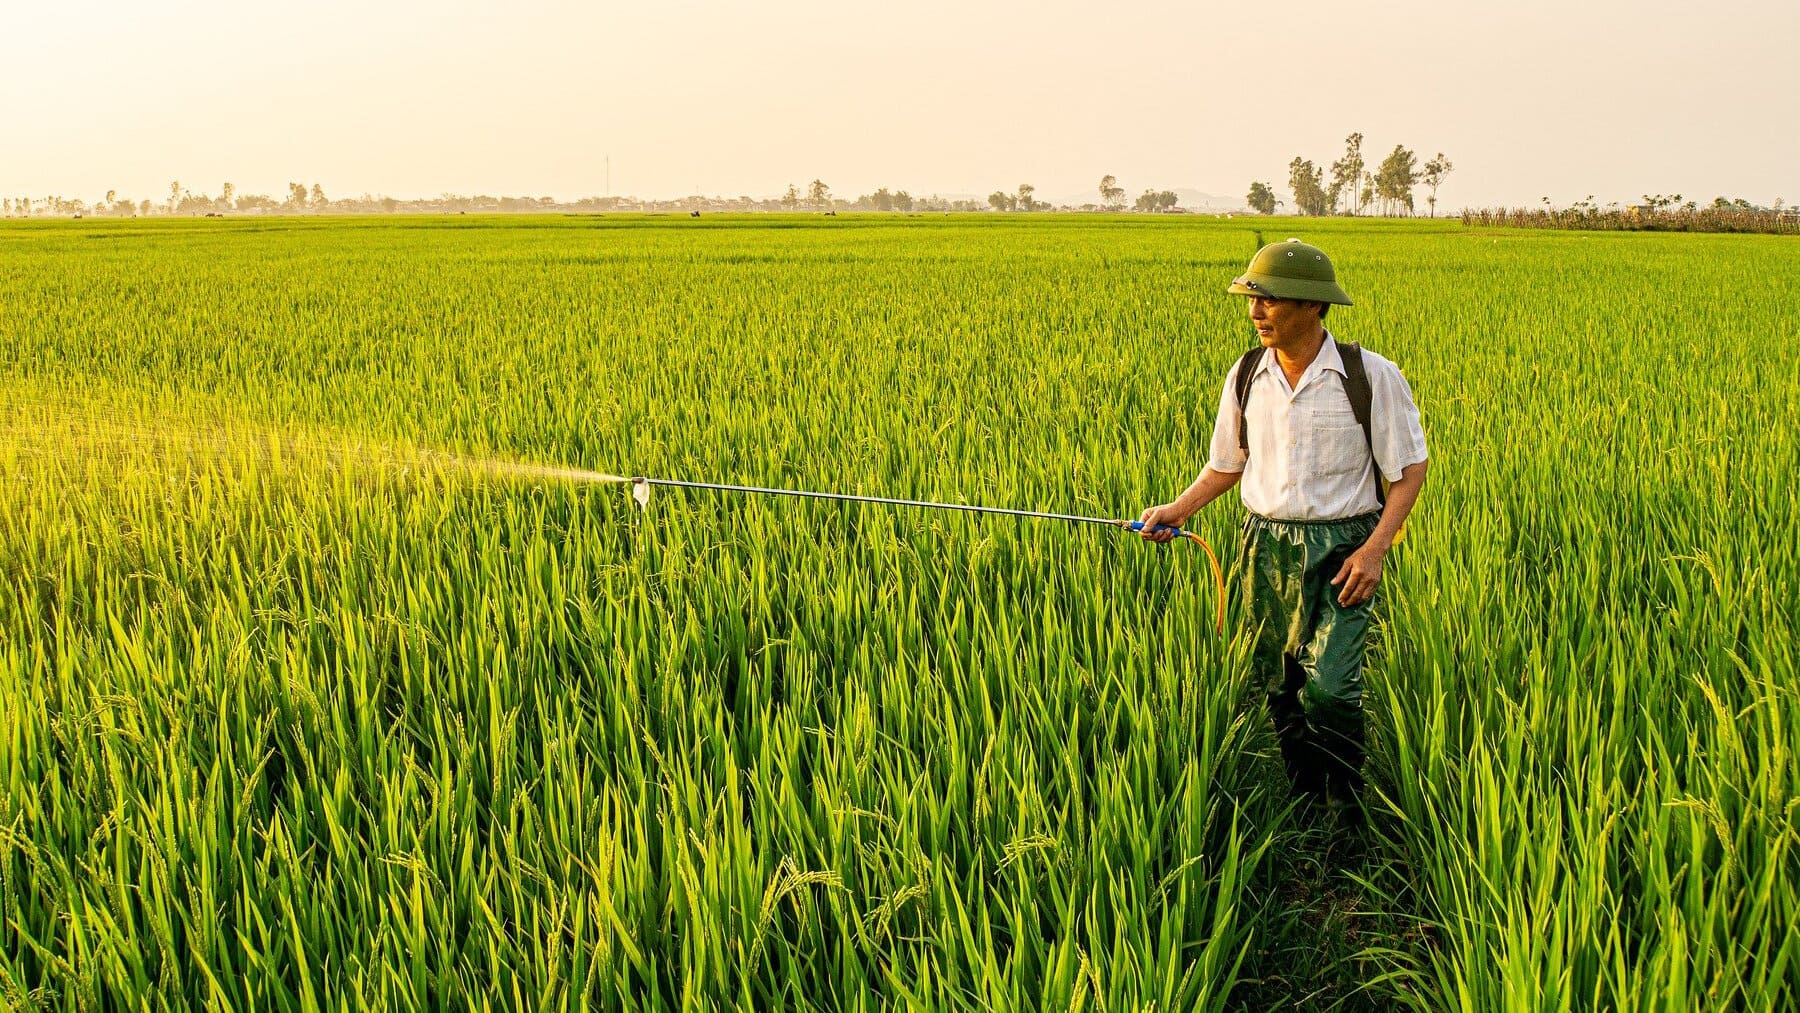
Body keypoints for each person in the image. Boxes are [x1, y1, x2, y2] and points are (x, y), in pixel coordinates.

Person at [1137, 239, 1428, 816]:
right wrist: (1181, 508)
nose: (1256, 312)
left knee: (1332, 691)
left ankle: (1345, 799)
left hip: (1345, 548)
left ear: (1315, 306)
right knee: (1279, 684)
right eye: (1252, 299)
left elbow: (1410, 468)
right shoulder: (1247, 376)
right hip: (1263, 547)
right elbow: (1228, 464)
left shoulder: (1367, 376)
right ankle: (1303, 797)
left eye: (1270, 300)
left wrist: (1376, 550)